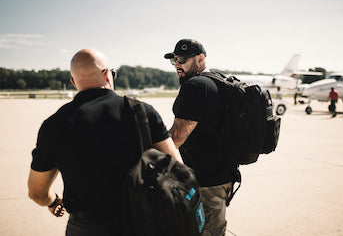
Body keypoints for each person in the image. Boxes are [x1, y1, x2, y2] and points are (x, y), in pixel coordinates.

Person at [28, 49, 182, 236]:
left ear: (74, 82)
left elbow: (37, 192)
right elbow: (177, 168)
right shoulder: (141, 112)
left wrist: (53, 202)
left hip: (87, 226)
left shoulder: (54, 125)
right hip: (142, 221)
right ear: (107, 74)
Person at [164, 39, 238, 236]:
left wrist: (146, 162)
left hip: (207, 181)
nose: (177, 64)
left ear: (200, 58)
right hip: (222, 176)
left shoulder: (195, 86)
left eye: (182, 59)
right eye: (174, 60)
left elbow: (177, 137)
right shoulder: (217, 81)